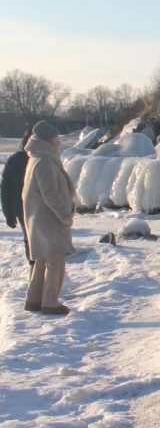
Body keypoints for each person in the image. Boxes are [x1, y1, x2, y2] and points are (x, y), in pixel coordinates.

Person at [22, 121, 75, 315]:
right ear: (47, 141)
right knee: (56, 259)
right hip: (49, 219)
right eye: (56, 139)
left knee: (43, 259)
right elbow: (50, 193)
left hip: (39, 218)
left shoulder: (38, 158)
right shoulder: (44, 161)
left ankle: (34, 300)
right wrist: (65, 215)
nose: (59, 143)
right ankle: (50, 302)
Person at [1, 128, 33, 266]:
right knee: (34, 241)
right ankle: (38, 273)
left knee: (30, 240)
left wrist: (9, 213)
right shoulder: (39, 159)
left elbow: (5, 189)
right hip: (29, 207)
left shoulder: (15, 159)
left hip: (21, 208)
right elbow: (6, 188)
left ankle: (35, 270)